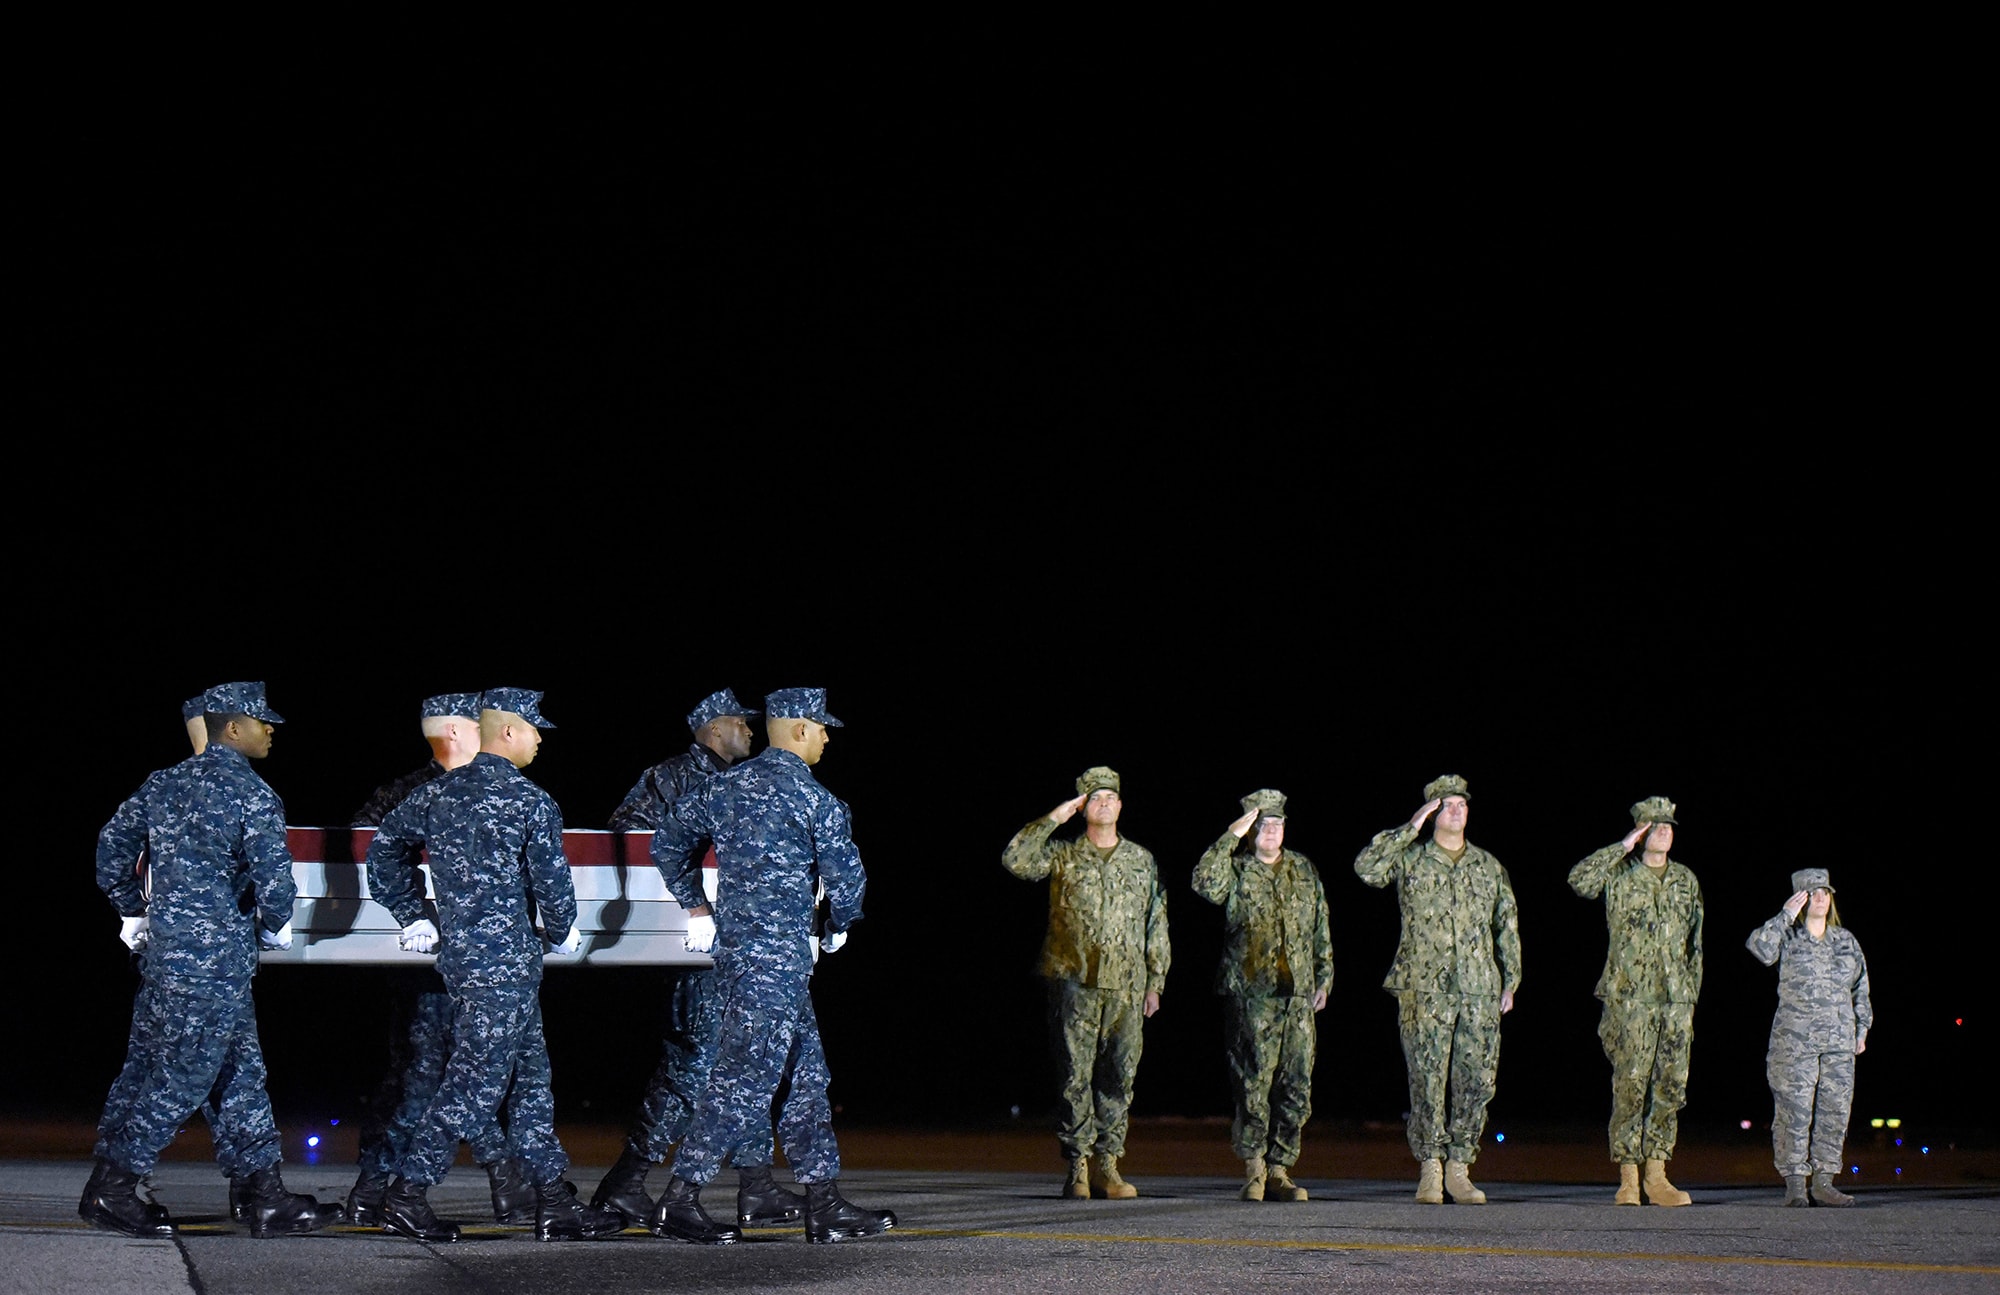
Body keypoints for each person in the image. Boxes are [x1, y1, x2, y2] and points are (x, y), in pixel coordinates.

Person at [82, 682, 342, 1239]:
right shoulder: (252, 793)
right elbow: (276, 881)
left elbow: (112, 852)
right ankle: (113, 1187)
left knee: (234, 1074)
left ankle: (265, 1195)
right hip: (216, 962)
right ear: (233, 728)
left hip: (166, 955)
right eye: (261, 722)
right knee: (185, 1074)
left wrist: (135, 913)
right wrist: (275, 927)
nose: (271, 730)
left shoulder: (163, 783)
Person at [366, 688, 622, 1243]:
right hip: (505, 964)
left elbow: (383, 849)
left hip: (468, 961)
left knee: (531, 1084)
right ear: (508, 730)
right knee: (475, 1087)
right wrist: (561, 931)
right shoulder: (529, 800)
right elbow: (552, 884)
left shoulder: (438, 795)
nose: (539, 741)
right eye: (534, 730)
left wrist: (415, 913)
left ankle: (553, 1202)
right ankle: (406, 1195)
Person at [647, 687, 894, 1246]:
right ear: (800, 730)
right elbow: (849, 883)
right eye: (822, 727)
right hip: (778, 960)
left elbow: (667, 843)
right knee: (743, 1079)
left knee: (809, 1075)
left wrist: (695, 907)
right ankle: (678, 1200)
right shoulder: (816, 800)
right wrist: (836, 927)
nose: (828, 737)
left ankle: (823, 1202)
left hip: (740, 955)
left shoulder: (723, 787)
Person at [595, 688, 804, 1230]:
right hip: (694, 948)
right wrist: (692, 902)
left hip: (741, 946)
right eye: (743, 723)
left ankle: (756, 1185)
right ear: (715, 728)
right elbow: (631, 838)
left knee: (747, 1058)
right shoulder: (670, 777)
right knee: (695, 1062)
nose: (753, 732)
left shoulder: (744, 782)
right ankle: (627, 1181)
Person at [345, 693, 537, 1228]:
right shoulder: (403, 794)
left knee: (476, 1071)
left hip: (486, 959)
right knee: (426, 1074)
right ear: (455, 730)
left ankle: (502, 1182)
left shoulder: (499, 791)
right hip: (423, 969)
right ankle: (379, 1185)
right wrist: (412, 916)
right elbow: (372, 857)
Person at [1002, 766, 1170, 1200]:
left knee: (1118, 1076)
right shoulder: (1062, 855)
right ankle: (1077, 1166)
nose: (1105, 803)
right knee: (1075, 1076)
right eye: (1095, 798)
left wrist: (1156, 983)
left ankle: (1108, 1166)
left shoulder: (1141, 860)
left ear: (1121, 805)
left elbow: (1157, 923)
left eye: (1111, 797)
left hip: (1127, 986)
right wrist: (1055, 817)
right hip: (1073, 981)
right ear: (1082, 808)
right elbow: (1015, 860)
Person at [1353, 774, 1520, 1205]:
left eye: (1462, 804)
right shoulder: (1411, 859)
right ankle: (1430, 1167)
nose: (1456, 810)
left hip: (1479, 987)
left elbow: (1507, 924)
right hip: (1424, 986)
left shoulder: (1487, 865)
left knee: (1477, 1080)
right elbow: (1367, 868)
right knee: (1427, 1078)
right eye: (1446, 805)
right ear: (1431, 813)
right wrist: (1409, 828)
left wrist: (1510, 979)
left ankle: (1460, 1167)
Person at [1191, 788, 1332, 1202]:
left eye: (1277, 824)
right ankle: (1253, 1168)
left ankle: (1279, 1170)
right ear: (1251, 831)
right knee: (1252, 1082)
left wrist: (1324, 978)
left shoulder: (1304, 871)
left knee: (1296, 1085)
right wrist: (1230, 835)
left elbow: (1320, 927)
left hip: (1298, 996)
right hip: (1251, 994)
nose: (1271, 831)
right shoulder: (1234, 870)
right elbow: (1202, 882)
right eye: (1263, 824)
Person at [1568, 795, 1703, 1206]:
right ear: (1640, 832)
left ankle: (1657, 1175)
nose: (1664, 830)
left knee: (1670, 1086)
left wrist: (1689, 995)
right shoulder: (1620, 874)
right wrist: (1622, 847)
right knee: (1630, 1083)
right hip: (1630, 998)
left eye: (1669, 825)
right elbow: (1579, 880)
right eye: (1654, 825)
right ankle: (1628, 1176)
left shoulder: (1685, 880)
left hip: (1675, 1001)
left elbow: (1695, 944)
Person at [1747, 867, 1872, 1207]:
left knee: (1834, 1111)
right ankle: (1795, 1185)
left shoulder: (1845, 941)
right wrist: (1785, 916)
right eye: (1812, 893)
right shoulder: (1788, 937)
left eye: (1825, 892)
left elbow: (1861, 988)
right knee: (1794, 1111)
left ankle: (1823, 1182)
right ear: (1800, 899)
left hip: (1838, 1041)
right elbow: (1758, 948)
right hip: (1794, 1041)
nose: (1820, 898)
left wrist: (1861, 1029)